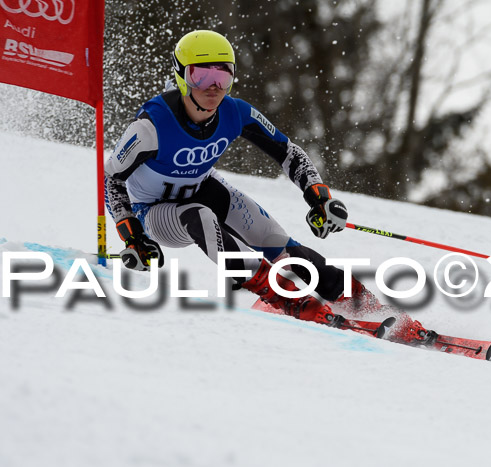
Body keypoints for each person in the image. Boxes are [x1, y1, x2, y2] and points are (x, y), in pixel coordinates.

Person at [105, 30, 428, 341]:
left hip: (203, 186)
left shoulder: (235, 112)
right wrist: (133, 236)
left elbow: (288, 152)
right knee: (200, 214)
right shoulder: (152, 125)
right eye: (201, 76)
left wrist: (318, 197)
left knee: (276, 241)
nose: (214, 87)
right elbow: (112, 178)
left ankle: (365, 306)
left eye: (223, 76)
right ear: (181, 76)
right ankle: (289, 299)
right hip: (156, 212)